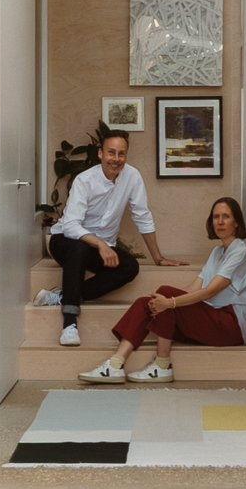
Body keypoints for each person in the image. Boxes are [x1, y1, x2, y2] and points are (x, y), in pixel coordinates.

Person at [80, 195, 246, 385]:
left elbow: (210, 291)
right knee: (149, 302)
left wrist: (170, 302)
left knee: (166, 297)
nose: (220, 222)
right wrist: (163, 301)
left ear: (237, 222)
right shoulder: (217, 252)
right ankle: (115, 365)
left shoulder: (240, 249)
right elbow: (194, 288)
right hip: (211, 319)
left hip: (230, 325)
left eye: (226, 216)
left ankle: (162, 366)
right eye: (216, 217)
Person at [50, 130, 165, 347]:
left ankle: (64, 295)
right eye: (111, 153)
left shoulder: (133, 177)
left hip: (99, 247)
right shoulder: (84, 180)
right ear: (100, 153)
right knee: (79, 248)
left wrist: (158, 257)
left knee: (130, 266)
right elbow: (71, 226)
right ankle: (69, 323)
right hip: (64, 241)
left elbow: (142, 215)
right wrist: (101, 244)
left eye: (121, 154)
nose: (116, 159)